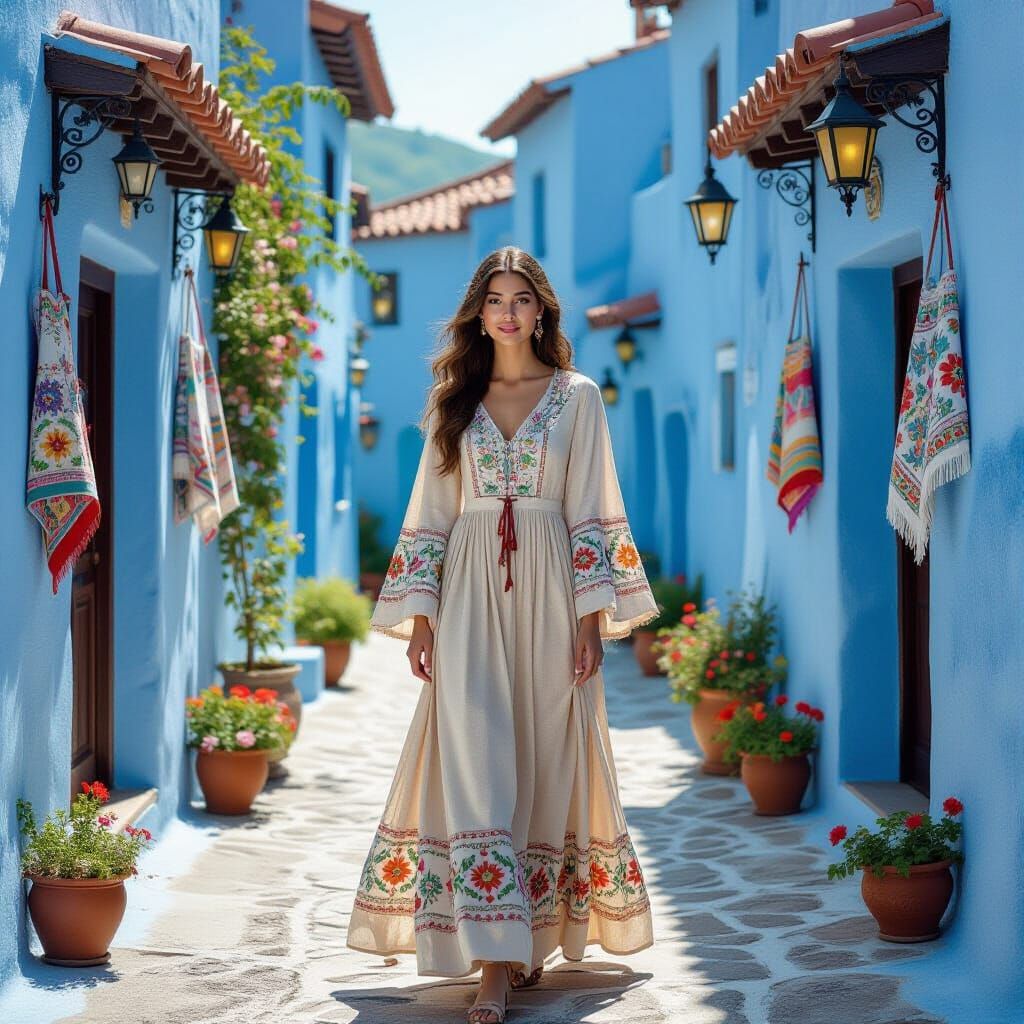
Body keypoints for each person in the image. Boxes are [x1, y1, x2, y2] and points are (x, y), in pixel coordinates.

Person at [345, 246, 657, 1023]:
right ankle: (490, 961)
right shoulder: (455, 399)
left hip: (553, 593)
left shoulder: (578, 397)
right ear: (479, 313)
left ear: (542, 309)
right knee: (474, 759)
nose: (508, 310)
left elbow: (591, 505)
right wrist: (420, 617)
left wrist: (593, 619)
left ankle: (523, 940)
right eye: (494, 298)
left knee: (547, 759)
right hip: (468, 596)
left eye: (522, 297)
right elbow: (432, 510)